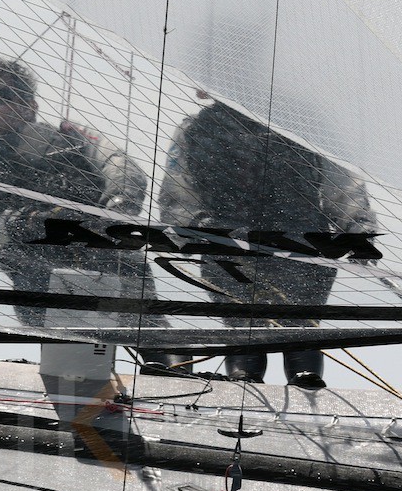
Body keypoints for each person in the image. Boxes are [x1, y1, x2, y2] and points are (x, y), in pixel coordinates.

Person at [0, 59, 174, 367]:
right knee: (74, 370)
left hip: (110, 258)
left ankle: (169, 366)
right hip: (43, 281)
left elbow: (121, 165)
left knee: (156, 339)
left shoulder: (73, 137)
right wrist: (15, 225)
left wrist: (117, 207)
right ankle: (79, 386)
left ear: (30, 105)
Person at [157, 100, 378, 387]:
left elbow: (341, 177)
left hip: (290, 239)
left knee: (295, 318)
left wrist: (359, 228)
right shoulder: (200, 127)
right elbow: (178, 187)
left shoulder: (300, 122)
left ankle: (290, 375)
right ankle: (249, 375)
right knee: (247, 319)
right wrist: (197, 226)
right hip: (233, 239)